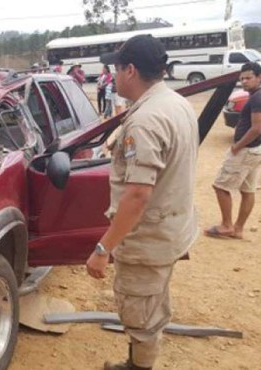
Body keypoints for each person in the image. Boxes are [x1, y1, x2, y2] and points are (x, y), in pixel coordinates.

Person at [87, 34, 199, 370]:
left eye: (116, 68)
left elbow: (138, 195)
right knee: (151, 301)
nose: (113, 75)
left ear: (130, 70)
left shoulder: (146, 120)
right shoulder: (176, 103)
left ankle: (139, 367)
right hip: (171, 226)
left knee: (140, 312)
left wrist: (103, 249)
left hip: (148, 238)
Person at [204, 62, 261, 240]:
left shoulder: (257, 98)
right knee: (247, 190)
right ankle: (238, 229)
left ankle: (227, 225)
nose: (244, 81)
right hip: (254, 150)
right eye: (242, 78)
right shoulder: (255, 96)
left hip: (245, 150)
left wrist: (238, 146)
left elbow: (257, 128)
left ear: (259, 77)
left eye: (248, 78)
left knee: (220, 186)